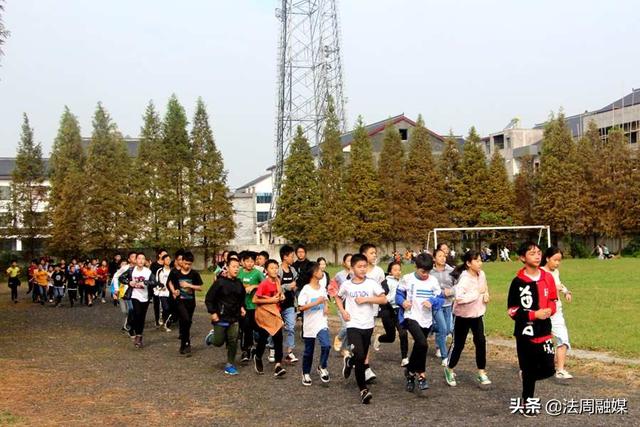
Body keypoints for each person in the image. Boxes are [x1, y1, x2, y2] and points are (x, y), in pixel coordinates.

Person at [508, 241, 558, 417]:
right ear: (523, 258)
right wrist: (533, 315)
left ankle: (527, 376)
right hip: (525, 333)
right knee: (529, 369)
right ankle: (526, 401)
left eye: (538, 252)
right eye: (532, 253)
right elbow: (512, 310)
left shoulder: (548, 278)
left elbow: (553, 300)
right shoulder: (517, 282)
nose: (537, 255)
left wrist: (550, 310)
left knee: (549, 368)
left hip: (544, 331)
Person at [335, 254, 387, 404]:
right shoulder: (347, 285)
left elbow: (383, 299)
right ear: (352, 269)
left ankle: (350, 362)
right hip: (353, 325)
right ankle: (363, 389)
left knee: (361, 356)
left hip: (368, 324)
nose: (363, 269)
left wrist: (366, 299)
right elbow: (338, 297)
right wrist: (343, 311)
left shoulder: (371, 284)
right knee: (359, 356)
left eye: (365, 266)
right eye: (359, 266)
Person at [444, 249, 492, 387]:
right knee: (459, 345)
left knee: (481, 342)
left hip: (477, 314)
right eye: (477, 260)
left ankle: (481, 372)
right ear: (469, 263)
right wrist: (477, 293)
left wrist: (486, 294)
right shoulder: (464, 279)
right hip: (462, 316)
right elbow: (459, 299)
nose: (480, 263)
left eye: (480, 260)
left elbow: (484, 287)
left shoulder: (481, 274)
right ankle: (449, 368)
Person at [395, 253, 442, 393]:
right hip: (411, 316)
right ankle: (422, 376)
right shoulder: (407, 279)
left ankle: (409, 373)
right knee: (423, 344)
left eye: (428, 271)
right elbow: (398, 295)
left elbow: (440, 299)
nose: (425, 274)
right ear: (416, 267)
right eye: (422, 271)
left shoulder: (433, 281)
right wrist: (403, 302)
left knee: (419, 346)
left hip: (426, 319)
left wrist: (432, 301)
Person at [205, 257, 246, 375]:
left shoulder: (239, 283)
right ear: (227, 268)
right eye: (233, 266)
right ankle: (211, 338)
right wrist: (213, 312)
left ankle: (230, 364)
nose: (236, 269)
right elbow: (209, 298)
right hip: (221, 317)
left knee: (233, 340)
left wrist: (242, 307)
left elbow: (241, 298)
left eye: (238, 267)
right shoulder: (220, 282)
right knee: (218, 342)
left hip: (234, 317)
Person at [541, 246, 573, 380]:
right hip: (543, 312)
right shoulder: (540, 273)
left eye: (559, 261)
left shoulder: (556, 272)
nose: (557, 263)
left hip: (556, 310)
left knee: (563, 338)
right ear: (547, 258)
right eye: (555, 260)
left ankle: (560, 370)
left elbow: (559, 284)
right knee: (540, 342)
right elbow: (541, 291)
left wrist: (565, 291)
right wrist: (554, 287)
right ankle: (530, 368)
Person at [298, 262, 331, 386]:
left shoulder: (322, 287)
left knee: (326, 345)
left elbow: (325, 299)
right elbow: (300, 308)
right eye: (319, 269)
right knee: (308, 351)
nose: (322, 271)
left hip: (321, 322)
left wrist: (326, 306)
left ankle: (322, 366)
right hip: (310, 325)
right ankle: (306, 373)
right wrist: (316, 303)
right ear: (313, 273)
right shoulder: (306, 289)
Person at [253, 259, 287, 377]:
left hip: (275, 314)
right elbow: (255, 300)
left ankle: (278, 365)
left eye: (276, 267)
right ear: (266, 270)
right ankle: (257, 357)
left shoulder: (278, 280)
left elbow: (278, 293)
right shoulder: (264, 283)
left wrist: (281, 296)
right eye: (272, 268)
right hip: (265, 314)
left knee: (279, 339)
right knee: (263, 339)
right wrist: (270, 300)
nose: (274, 270)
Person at [167, 251, 203, 356]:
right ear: (181, 261)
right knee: (185, 319)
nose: (187, 266)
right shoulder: (175, 273)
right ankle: (186, 343)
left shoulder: (194, 274)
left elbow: (200, 287)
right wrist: (174, 291)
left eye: (189, 264)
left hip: (190, 302)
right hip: (179, 301)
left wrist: (189, 285)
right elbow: (169, 282)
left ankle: (184, 344)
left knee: (186, 322)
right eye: (185, 263)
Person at [373, 261, 409, 367]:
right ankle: (379, 338)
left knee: (403, 333)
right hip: (387, 310)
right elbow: (383, 297)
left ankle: (404, 358)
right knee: (391, 337)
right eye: (395, 269)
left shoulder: (403, 282)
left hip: (399, 310)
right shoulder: (386, 282)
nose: (398, 272)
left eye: (399, 269)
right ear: (390, 272)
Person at [359, 243, 385, 383]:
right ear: (364, 255)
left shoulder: (379, 272)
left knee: (367, 339)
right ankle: (359, 363)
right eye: (371, 253)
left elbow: (383, 290)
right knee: (359, 341)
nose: (374, 255)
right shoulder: (357, 271)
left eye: (375, 253)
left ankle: (365, 367)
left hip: (372, 311)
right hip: (356, 312)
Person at [122, 253, 155, 349]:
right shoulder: (131, 270)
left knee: (142, 317)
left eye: (143, 259)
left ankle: (139, 336)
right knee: (137, 313)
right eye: (139, 258)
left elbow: (154, 282)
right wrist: (129, 282)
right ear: (136, 260)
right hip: (134, 295)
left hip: (145, 297)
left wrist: (145, 282)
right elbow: (121, 278)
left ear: (145, 261)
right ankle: (135, 332)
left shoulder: (148, 272)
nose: (141, 260)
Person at [237, 251, 265, 362]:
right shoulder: (239, 272)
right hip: (242, 306)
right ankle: (245, 350)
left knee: (256, 328)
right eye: (247, 261)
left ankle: (255, 347)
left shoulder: (257, 273)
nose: (249, 263)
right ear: (243, 262)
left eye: (252, 261)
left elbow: (265, 285)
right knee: (245, 328)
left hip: (254, 306)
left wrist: (254, 286)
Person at [431, 248, 455, 366]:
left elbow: (458, 286)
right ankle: (445, 358)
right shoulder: (430, 272)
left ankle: (430, 328)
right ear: (434, 258)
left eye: (444, 256)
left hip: (448, 303)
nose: (443, 258)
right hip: (436, 304)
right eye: (439, 256)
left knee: (449, 328)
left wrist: (451, 292)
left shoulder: (451, 270)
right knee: (443, 329)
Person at [278, 245, 299, 363]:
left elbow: (295, 284)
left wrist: (295, 287)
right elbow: (275, 287)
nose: (293, 258)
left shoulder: (293, 270)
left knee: (290, 327)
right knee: (276, 328)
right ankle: (273, 348)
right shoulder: (278, 270)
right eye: (292, 256)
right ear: (285, 257)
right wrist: (287, 286)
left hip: (290, 304)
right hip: (278, 305)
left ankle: (289, 352)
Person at [328, 253, 352, 355]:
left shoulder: (356, 274)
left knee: (350, 328)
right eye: (348, 260)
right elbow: (331, 286)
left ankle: (345, 349)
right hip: (341, 305)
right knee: (346, 327)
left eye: (352, 260)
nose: (350, 263)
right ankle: (339, 337)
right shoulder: (339, 275)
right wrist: (335, 296)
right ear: (344, 263)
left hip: (352, 306)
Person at [154, 254, 172, 331]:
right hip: (162, 292)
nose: (168, 260)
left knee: (169, 308)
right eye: (166, 259)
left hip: (171, 292)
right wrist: (160, 287)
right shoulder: (160, 271)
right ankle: (163, 322)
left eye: (169, 259)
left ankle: (166, 323)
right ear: (163, 261)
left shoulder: (172, 270)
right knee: (165, 307)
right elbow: (157, 281)